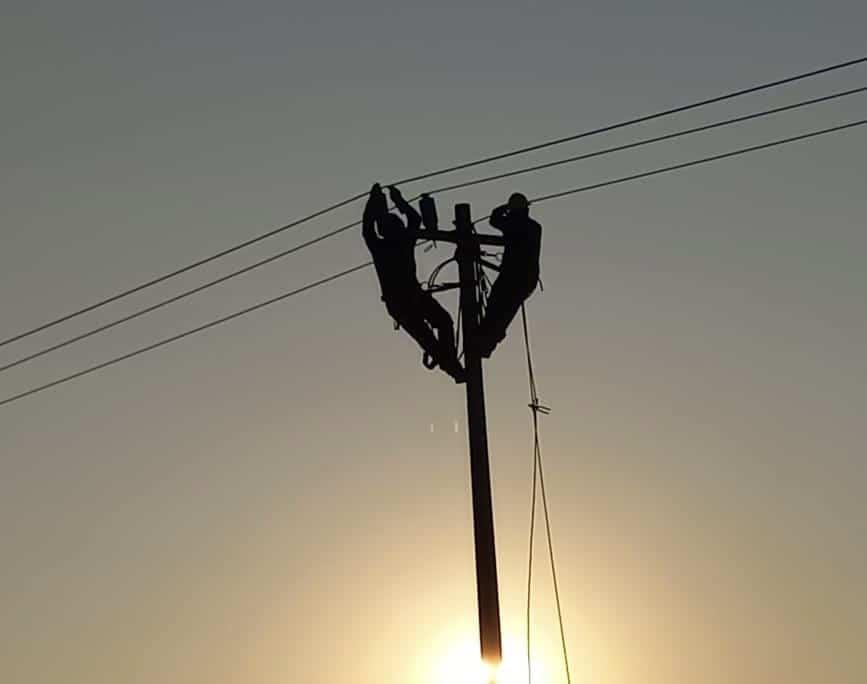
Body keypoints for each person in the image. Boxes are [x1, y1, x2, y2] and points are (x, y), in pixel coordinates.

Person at [362, 183, 465, 382]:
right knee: (440, 326)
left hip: (403, 301)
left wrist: (374, 202)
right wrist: (397, 200)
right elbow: (414, 219)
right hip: (408, 299)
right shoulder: (401, 242)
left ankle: (452, 367)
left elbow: (367, 228)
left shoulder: (381, 246)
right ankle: (452, 366)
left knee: (432, 335)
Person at [476, 192, 542, 358]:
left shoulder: (512, 223)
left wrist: (506, 208)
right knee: (504, 311)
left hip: (513, 277)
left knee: (496, 308)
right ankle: (487, 342)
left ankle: (485, 341)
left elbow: (494, 218)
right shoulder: (534, 227)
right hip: (526, 279)